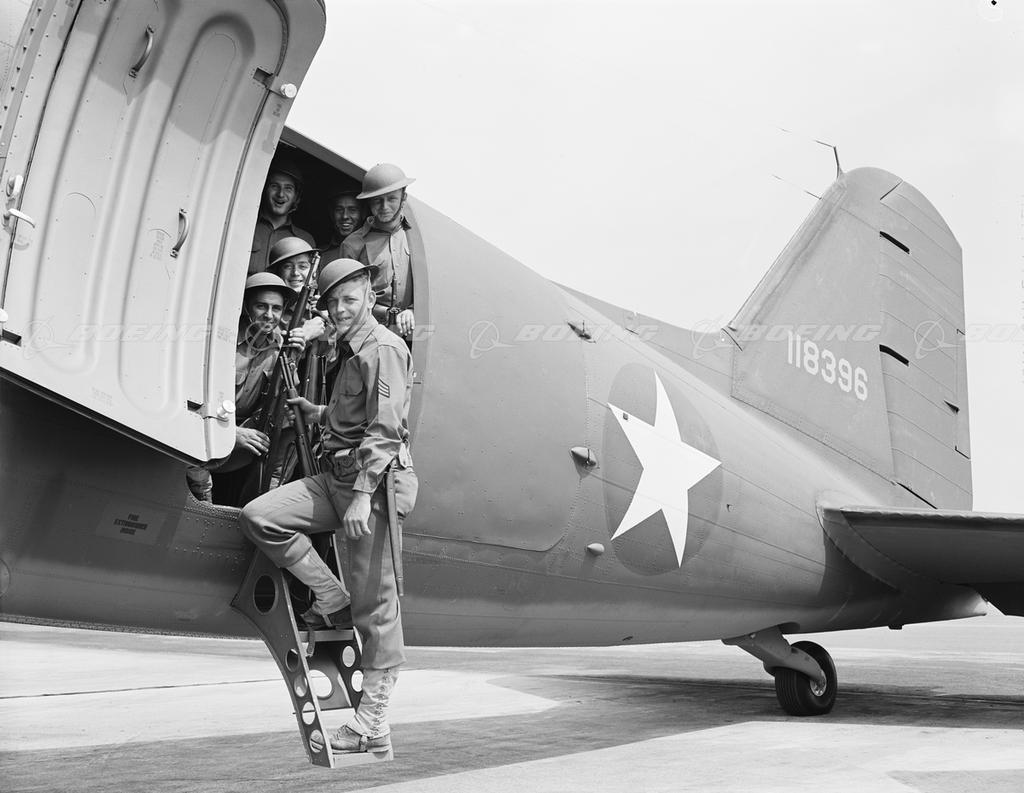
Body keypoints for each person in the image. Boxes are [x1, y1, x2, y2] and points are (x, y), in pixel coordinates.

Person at [238, 258, 417, 754]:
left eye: (349, 299)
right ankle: (331, 596)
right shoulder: (350, 347)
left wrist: (361, 495)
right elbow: (353, 414)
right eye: (332, 301)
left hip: (373, 487)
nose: (339, 309)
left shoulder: (383, 348)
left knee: (376, 607)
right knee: (260, 517)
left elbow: (386, 429)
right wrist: (317, 412)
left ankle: (371, 724)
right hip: (334, 478)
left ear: (370, 298)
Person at [186, 273, 305, 503]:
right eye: (261, 306)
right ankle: (203, 499)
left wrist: (294, 358)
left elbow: (284, 398)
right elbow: (191, 404)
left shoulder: (280, 345)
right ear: (246, 307)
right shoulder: (220, 340)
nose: (269, 315)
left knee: (293, 420)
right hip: (208, 430)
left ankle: (266, 498)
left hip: (247, 435)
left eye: (276, 308)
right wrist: (232, 433)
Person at [342, 164, 416, 339]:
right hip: (368, 335)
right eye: (377, 200)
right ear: (369, 201)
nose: (384, 206)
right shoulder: (353, 244)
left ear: (404, 198)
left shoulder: (416, 238)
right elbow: (345, 299)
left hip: (414, 334)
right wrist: (385, 313)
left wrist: (413, 309)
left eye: (391, 199)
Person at [248, 158, 315, 275]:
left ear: (296, 196)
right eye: (274, 186)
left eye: (288, 188)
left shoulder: (305, 240)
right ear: (264, 189)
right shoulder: (246, 227)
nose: (280, 194)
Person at [320, 190, 365, 266]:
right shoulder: (321, 255)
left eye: (352, 210)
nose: (345, 216)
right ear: (331, 213)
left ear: (363, 213)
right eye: (339, 210)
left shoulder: (372, 248)